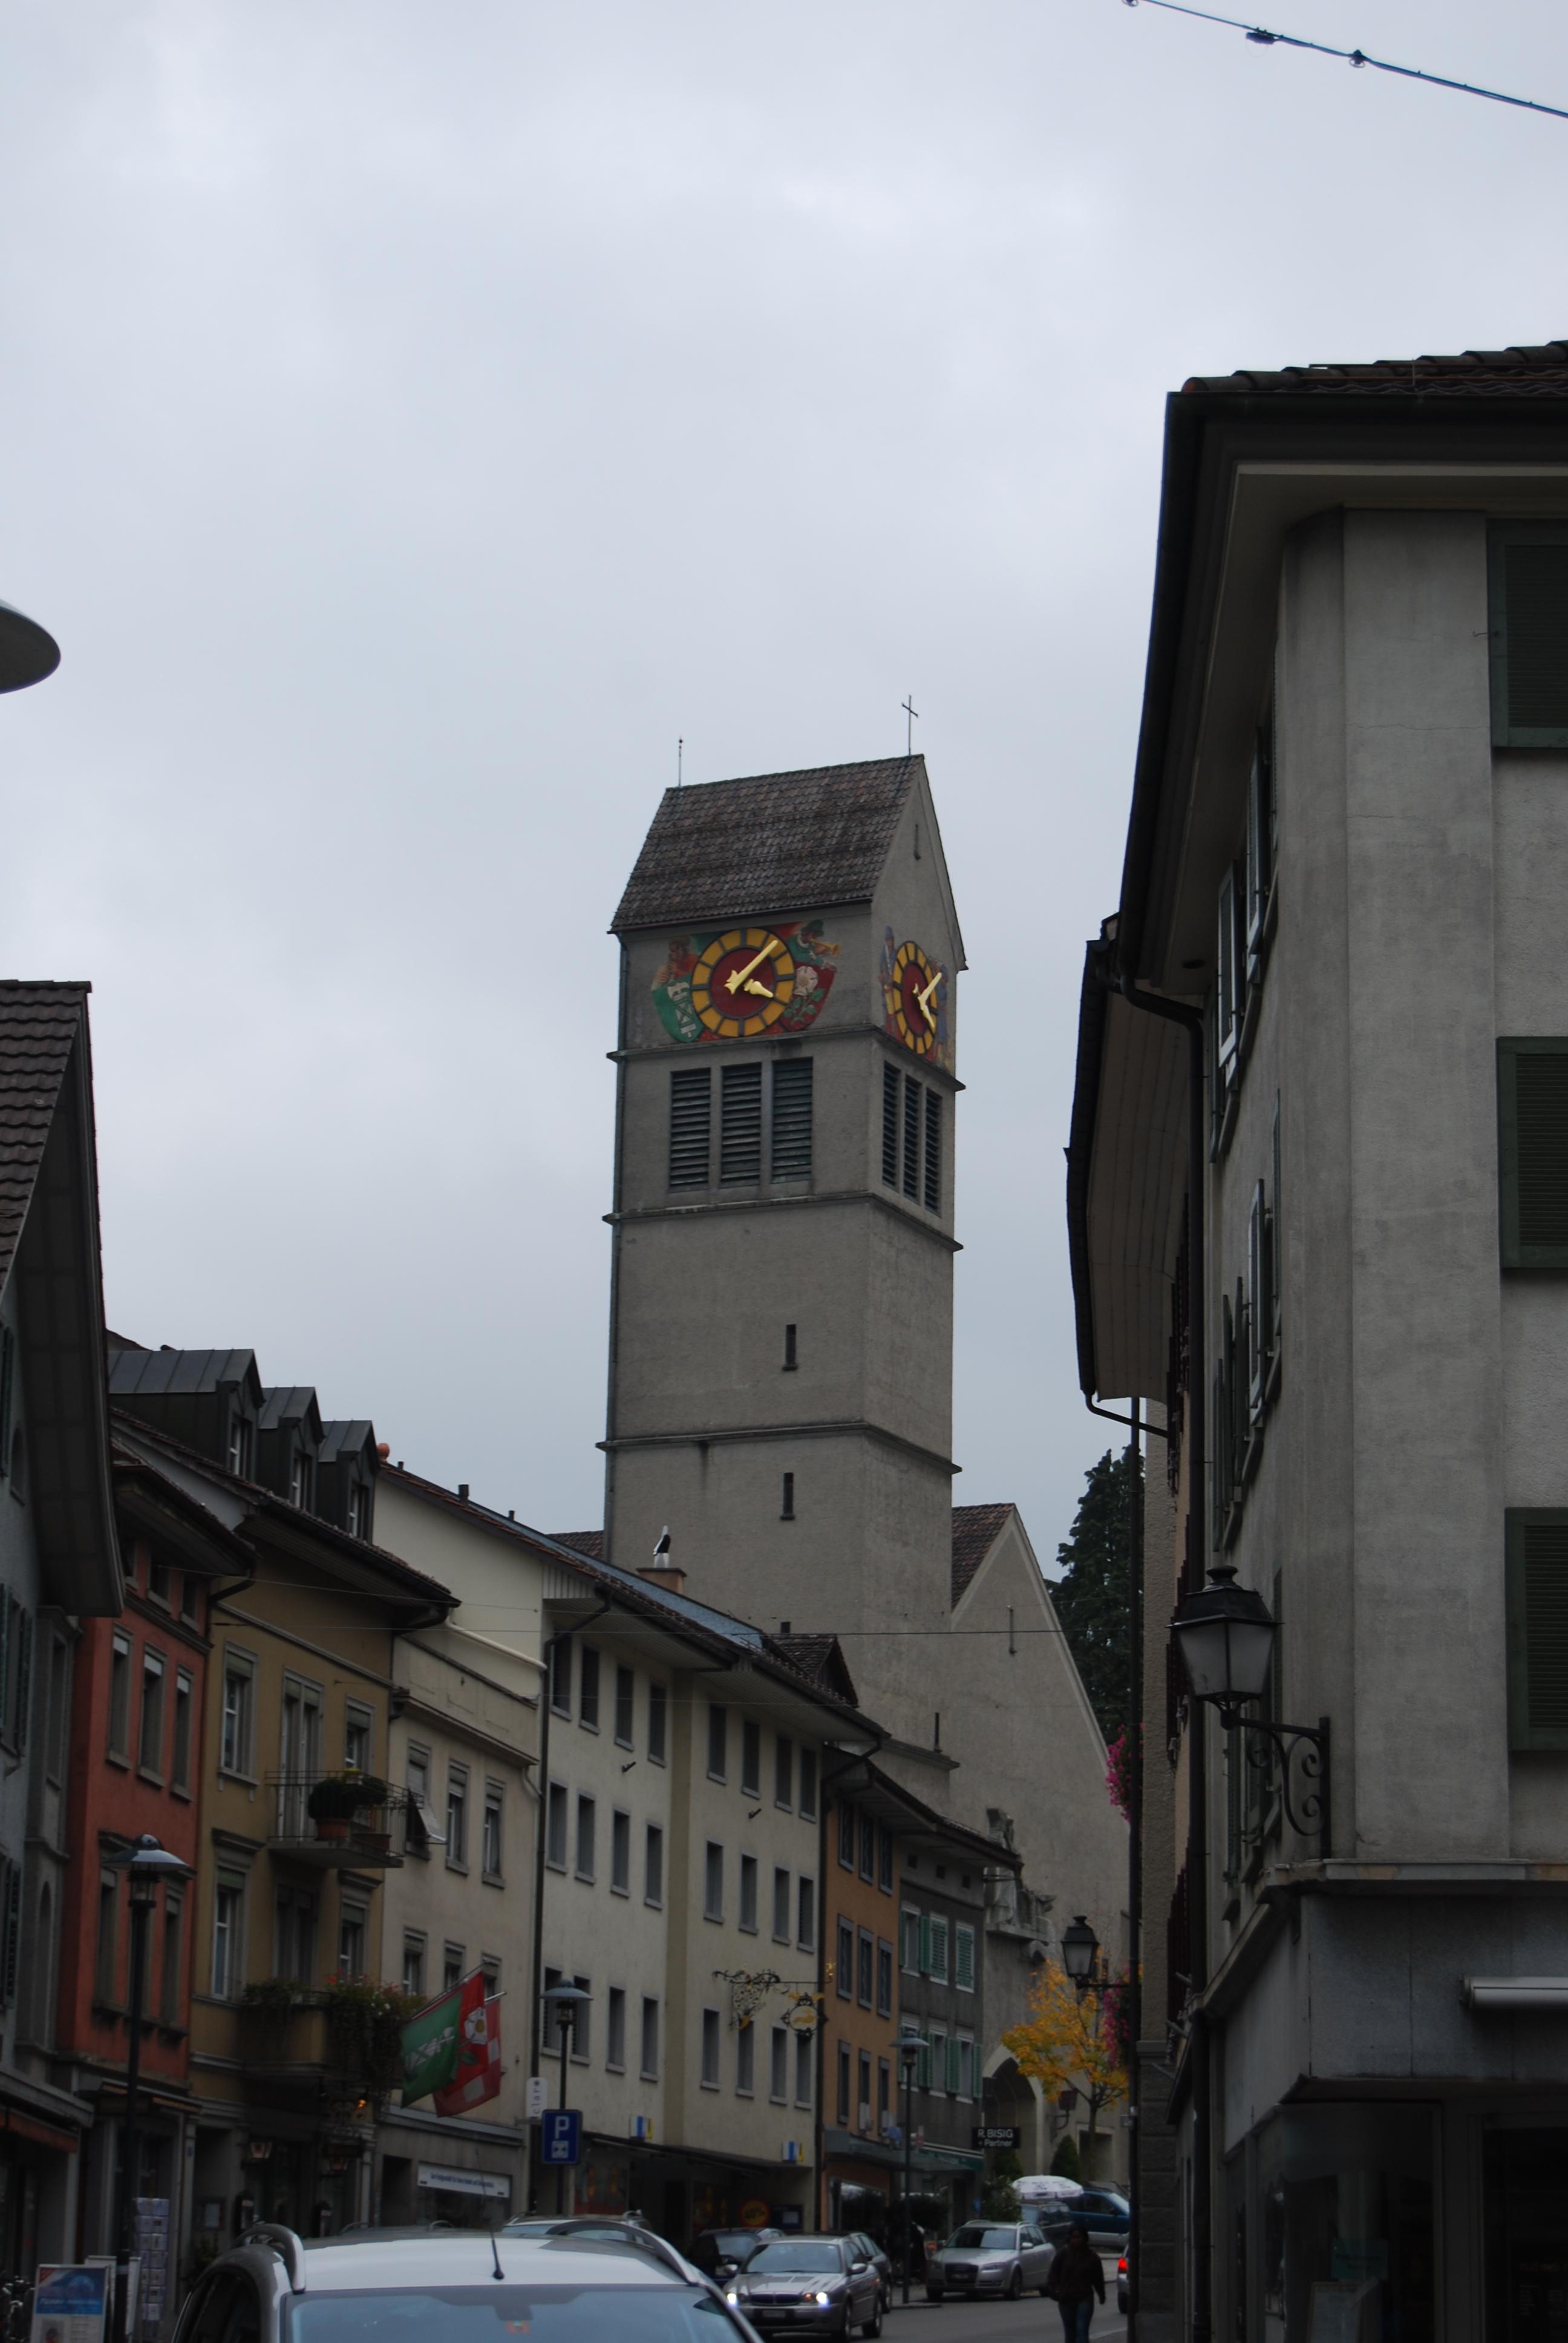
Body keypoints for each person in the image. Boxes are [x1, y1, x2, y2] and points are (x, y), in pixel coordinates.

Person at [1043, 2222, 1104, 2342]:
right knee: (1070, 2333)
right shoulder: (1063, 2254)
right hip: (1066, 2299)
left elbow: (1098, 2278)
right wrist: (1054, 2292)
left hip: (1084, 2298)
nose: (1076, 2240)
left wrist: (1102, 2295)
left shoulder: (1092, 2257)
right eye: (1073, 2238)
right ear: (1070, 2238)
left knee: (1082, 2331)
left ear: (1085, 2238)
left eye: (1079, 2237)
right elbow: (1053, 2275)